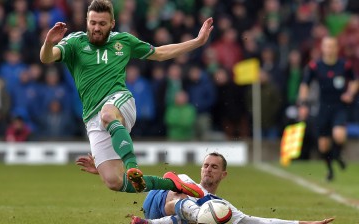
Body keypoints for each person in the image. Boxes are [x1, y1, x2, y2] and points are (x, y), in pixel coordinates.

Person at [39, 0, 214, 197]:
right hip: (91, 116)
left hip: (119, 101)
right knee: (114, 181)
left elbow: (160, 53)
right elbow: (46, 58)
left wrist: (197, 42)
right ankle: (173, 184)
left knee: (107, 114)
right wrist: (48, 42)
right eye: (93, 22)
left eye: (102, 24)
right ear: (87, 21)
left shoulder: (123, 41)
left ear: (112, 23)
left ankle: (132, 165)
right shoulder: (74, 42)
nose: (96, 28)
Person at [76, 152, 334, 224]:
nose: (208, 169)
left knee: (214, 214)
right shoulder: (188, 179)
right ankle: (185, 203)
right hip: (157, 200)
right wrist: (103, 171)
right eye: (206, 165)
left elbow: (259, 222)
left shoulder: (221, 206)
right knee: (184, 186)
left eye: (214, 167)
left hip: (166, 216)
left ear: (224, 174)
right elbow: (141, 184)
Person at [298, 36, 359, 181]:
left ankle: (337, 155)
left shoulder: (344, 65)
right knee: (323, 146)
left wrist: (350, 93)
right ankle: (330, 169)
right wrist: (303, 104)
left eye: (332, 46)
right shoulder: (315, 66)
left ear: (337, 48)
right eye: (327, 46)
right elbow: (305, 84)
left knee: (339, 135)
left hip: (339, 106)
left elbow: (355, 81)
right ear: (322, 48)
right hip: (323, 108)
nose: (329, 49)